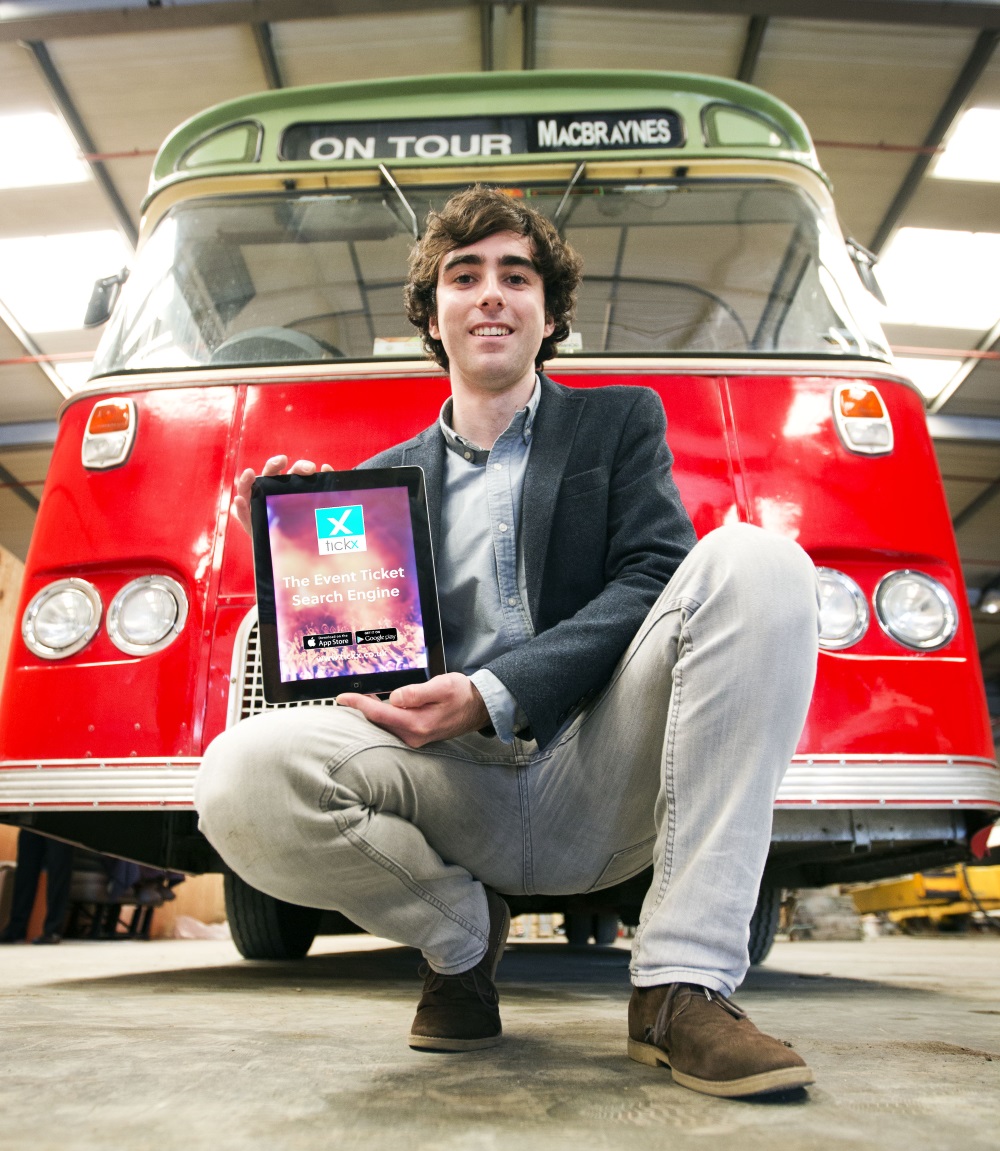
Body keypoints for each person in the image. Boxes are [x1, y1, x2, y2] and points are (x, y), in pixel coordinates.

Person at [195, 186, 819, 1099]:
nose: (490, 292)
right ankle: (458, 939)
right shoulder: (371, 488)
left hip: (594, 762)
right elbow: (359, 667)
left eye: (516, 276)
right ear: (433, 313)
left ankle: (683, 985)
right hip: (454, 784)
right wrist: (296, 572)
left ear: (551, 313)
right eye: (464, 275)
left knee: (759, 560)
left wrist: (496, 688)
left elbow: (653, 576)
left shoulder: (617, 423)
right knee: (238, 772)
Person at [0, 829, 74, 945]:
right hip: (33, 816)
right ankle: (16, 928)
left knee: (58, 872)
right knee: (25, 871)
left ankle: (53, 930)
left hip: (63, 817)